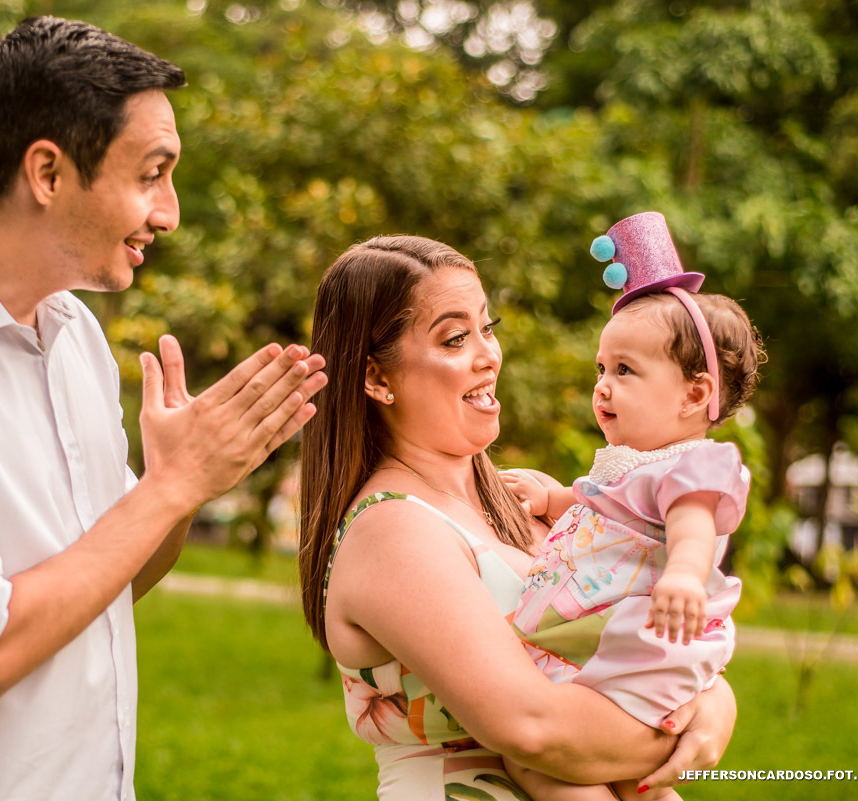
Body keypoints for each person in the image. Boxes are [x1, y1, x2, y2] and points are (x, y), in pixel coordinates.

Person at [0, 17, 326, 801]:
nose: (170, 213)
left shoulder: (72, 328)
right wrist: (172, 485)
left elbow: (112, 578)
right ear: (46, 171)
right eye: (151, 174)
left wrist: (186, 484)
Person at [298, 235, 737, 801]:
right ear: (379, 379)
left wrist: (714, 699)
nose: (489, 355)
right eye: (456, 338)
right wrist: (694, 727)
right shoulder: (392, 530)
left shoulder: (534, 503)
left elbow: (635, 639)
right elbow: (534, 731)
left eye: (488, 327)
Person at [499, 212, 765, 801]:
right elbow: (605, 511)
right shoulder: (636, 465)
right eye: (601, 368)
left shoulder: (692, 466)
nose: (602, 385)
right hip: (607, 647)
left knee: (543, 764)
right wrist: (553, 497)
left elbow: (692, 528)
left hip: (636, 648)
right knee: (625, 778)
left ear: (695, 393)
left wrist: (684, 576)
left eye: (625, 370)